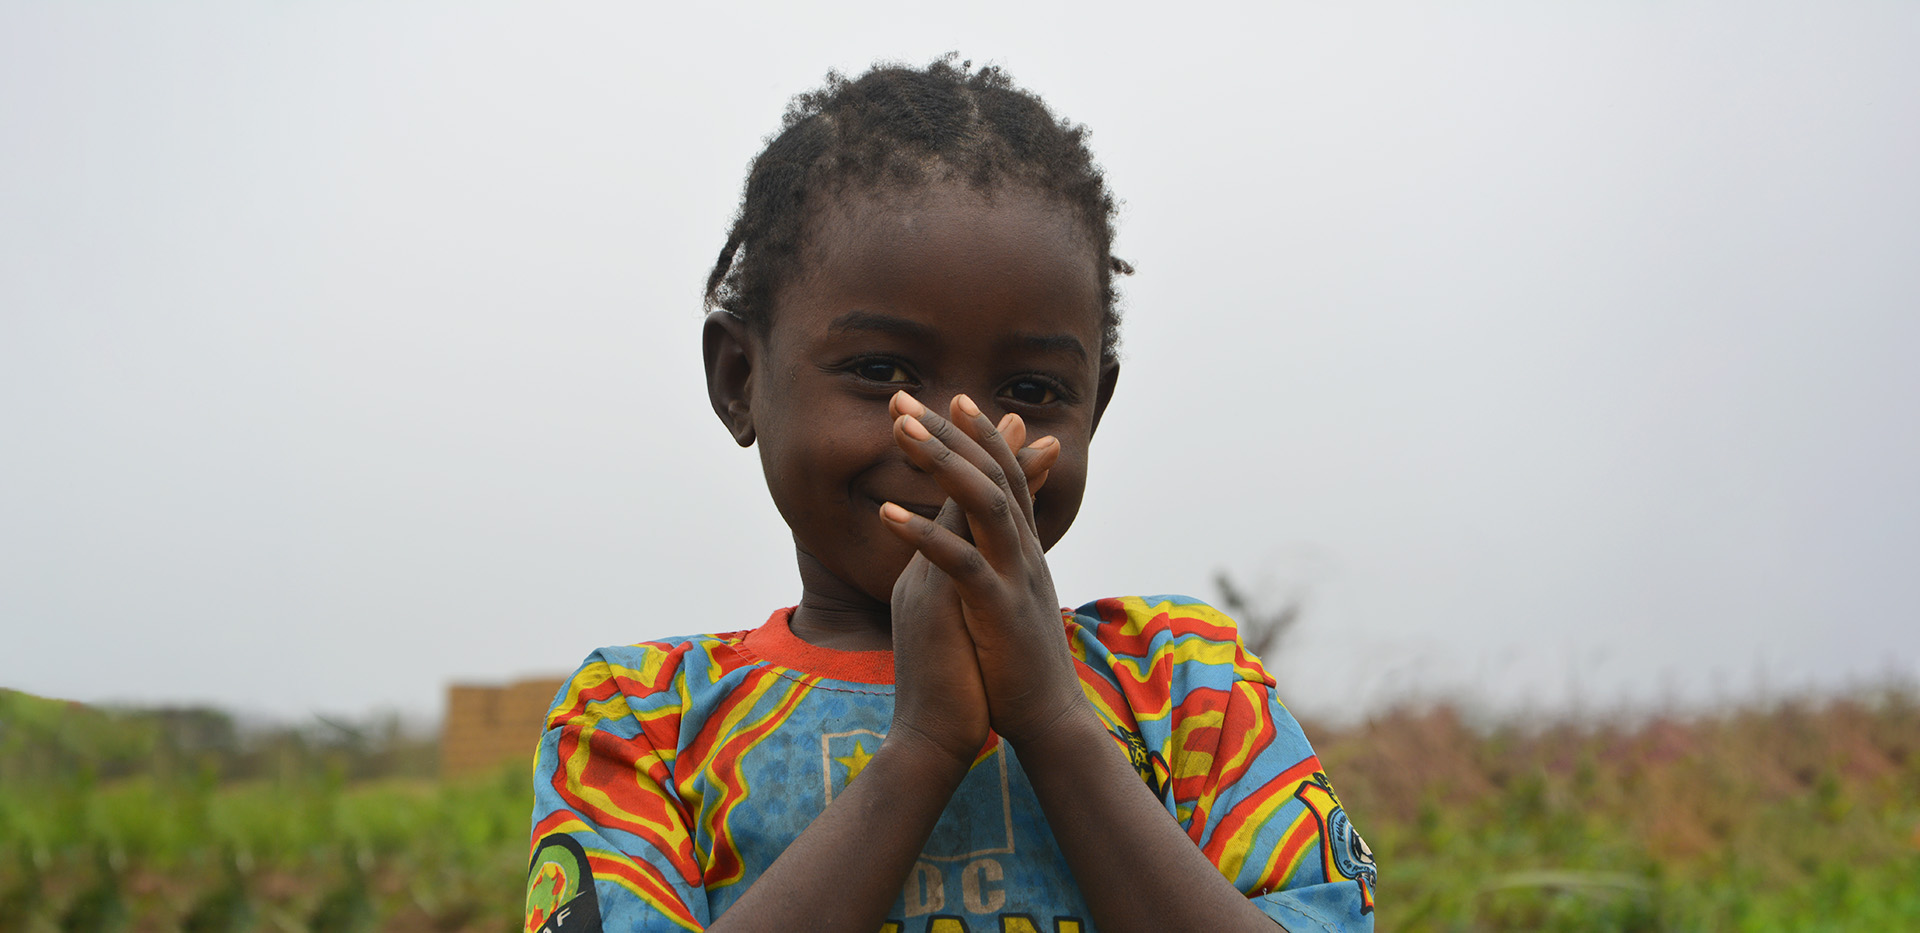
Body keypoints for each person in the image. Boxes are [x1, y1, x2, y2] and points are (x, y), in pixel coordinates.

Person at [524, 57, 1376, 933]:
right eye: (882, 371)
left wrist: (1053, 720)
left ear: (1096, 408)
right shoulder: (642, 718)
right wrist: (920, 750)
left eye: (1034, 390)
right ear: (741, 378)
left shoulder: (1184, 684)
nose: (956, 440)